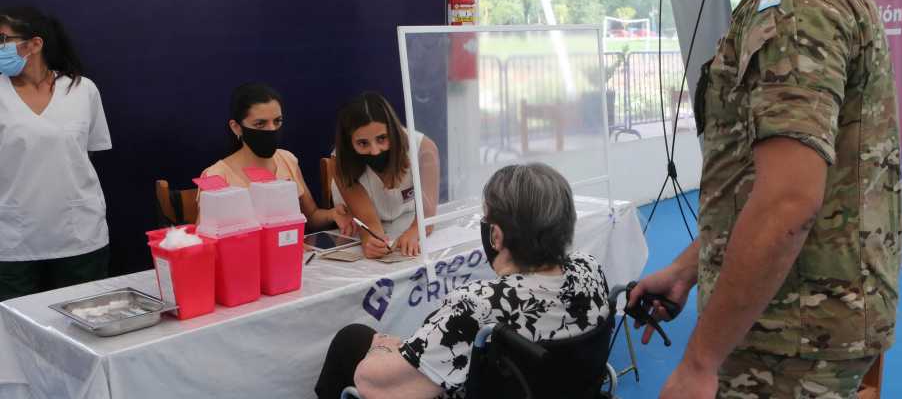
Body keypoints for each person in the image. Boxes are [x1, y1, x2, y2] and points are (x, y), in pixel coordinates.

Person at [628, 0, 902, 398]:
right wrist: (687, 269)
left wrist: (700, 361)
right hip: (799, 319)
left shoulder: (793, 0)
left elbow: (788, 201)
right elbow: (761, 185)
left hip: (791, 330)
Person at [314, 163, 609, 399]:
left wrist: (382, 347)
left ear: (496, 236)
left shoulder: (477, 305)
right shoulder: (589, 269)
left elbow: (369, 381)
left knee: (351, 342)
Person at [0, 7, 113, 301]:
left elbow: (86, 154)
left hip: (79, 236)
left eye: (3, 39)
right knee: (13, 326)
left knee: (85, 318)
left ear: (34, 44)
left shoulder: (82, 90)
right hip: (12, 241)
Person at [202, 83, 353, 233]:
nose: (271, 129)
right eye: (260, 124)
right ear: (236, 127)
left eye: (277, 121)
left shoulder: (287, 159)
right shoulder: (216, 175)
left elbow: (311, 216)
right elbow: (206, 236)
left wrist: (332, 214)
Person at [331, 92, 440, 258]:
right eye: (363, 143)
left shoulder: (424, 149)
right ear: (349, 143)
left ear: (393, 131)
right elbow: (369, 224)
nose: (375, 151)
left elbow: (427, 218)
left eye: (382, 138)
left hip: (406, 220)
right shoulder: (340, 161)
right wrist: (372, 241)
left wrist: (413, 232)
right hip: (354, 230)